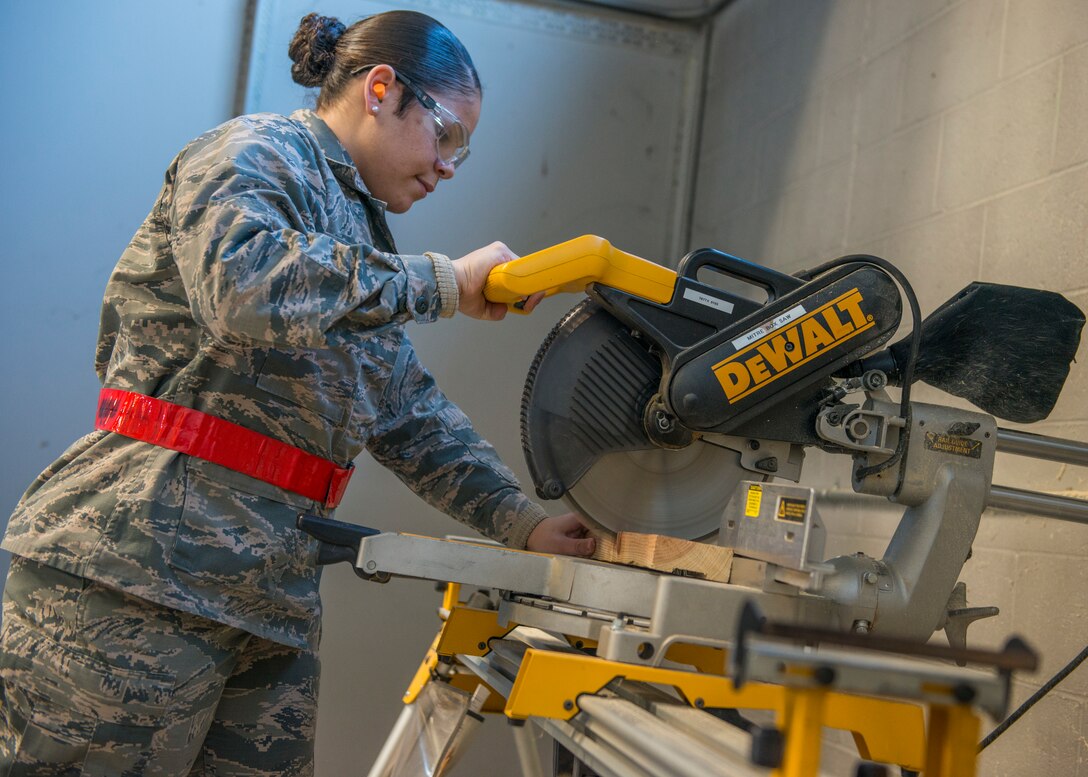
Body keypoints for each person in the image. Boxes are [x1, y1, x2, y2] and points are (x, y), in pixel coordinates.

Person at [0, 10, 594, 775]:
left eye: (463, 152)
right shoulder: (257, 154)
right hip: (137, 571)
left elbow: (405, 408)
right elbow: (244, 285)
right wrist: (443, 282)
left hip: (265, 598)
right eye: (446, 135)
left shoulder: (358, 235)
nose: (449, 165)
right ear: (382, 89)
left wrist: (522, 524)